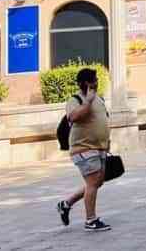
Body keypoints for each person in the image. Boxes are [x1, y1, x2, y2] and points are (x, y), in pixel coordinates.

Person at [57, 68, 111, 232]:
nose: (97, 82)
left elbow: (103, 119)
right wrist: (87, 101)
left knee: (97, 182)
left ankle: (66, 204)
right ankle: (90, 220)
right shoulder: (75, 100)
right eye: (94, 79)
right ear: (86, 83)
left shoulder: (99, 98)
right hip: (83, 148)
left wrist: (107, 141)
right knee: (93, 183)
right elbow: (73, 117)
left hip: (99, 147)